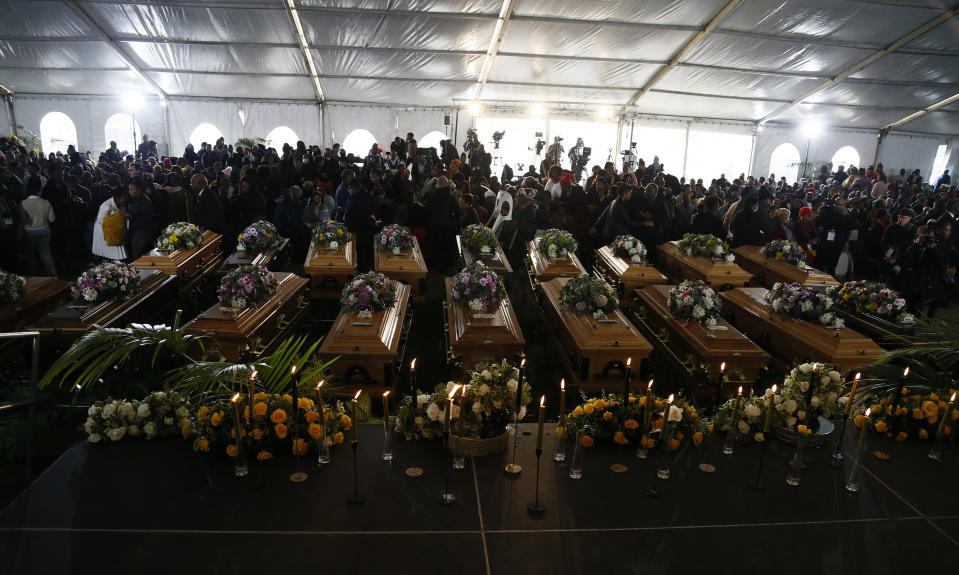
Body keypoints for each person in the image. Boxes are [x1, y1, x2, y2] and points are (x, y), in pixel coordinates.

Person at [20, 177, 56, 275]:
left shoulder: (24, 203)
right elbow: (52, 219)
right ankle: (52, 276)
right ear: (40, 188)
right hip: (45, 230)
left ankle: (32, 276)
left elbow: (22, 221)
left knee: (31, 255)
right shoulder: (46, 202)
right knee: (45, 254)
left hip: (30, 231)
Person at [92, 188, 129, 260]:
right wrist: (117, 220)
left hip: (116, 231)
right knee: (112, 253)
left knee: (117, 253)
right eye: (124, 199)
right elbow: (100, 220)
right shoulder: (106, 206)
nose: (126, 201)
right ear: (118, 199)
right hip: (106, 231)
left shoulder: (120, 204)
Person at [126, 176, 157, 260]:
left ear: (139, 190)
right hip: (138, 232)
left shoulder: (144, 201)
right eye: (129, 189)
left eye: (132, 190)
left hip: (143, 233)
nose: (129, 192)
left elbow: (146, 219)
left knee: (138, 257)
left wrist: (129, 216)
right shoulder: (136, 198)